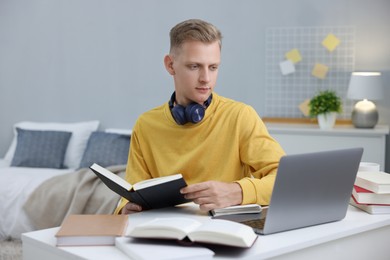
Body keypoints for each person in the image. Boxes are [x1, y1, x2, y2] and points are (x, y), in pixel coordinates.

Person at [115, 19, 285, 215]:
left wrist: (236, 192)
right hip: (164, 234)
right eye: (194, 66)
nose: (206, 78)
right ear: (170, 65)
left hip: (223, 232)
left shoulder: (240, 116)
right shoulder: (146, 125)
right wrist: (126, 209)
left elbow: (287, 181)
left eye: (213, 67)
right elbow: (131, 193)